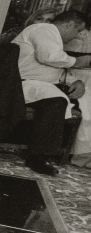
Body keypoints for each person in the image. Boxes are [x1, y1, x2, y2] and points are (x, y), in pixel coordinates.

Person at [12, 10, 91, 175]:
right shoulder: (43, 29)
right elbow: (48, 57)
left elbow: (53, 70)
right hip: (21, 83)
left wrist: (74, 81)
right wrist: (77, 61)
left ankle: (78, 153)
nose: (76, 36)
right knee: (57, 101)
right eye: (77, 30)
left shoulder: (51, 35)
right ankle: (38, 156)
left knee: (82, 99)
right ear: (69, 24)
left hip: (38, 82)